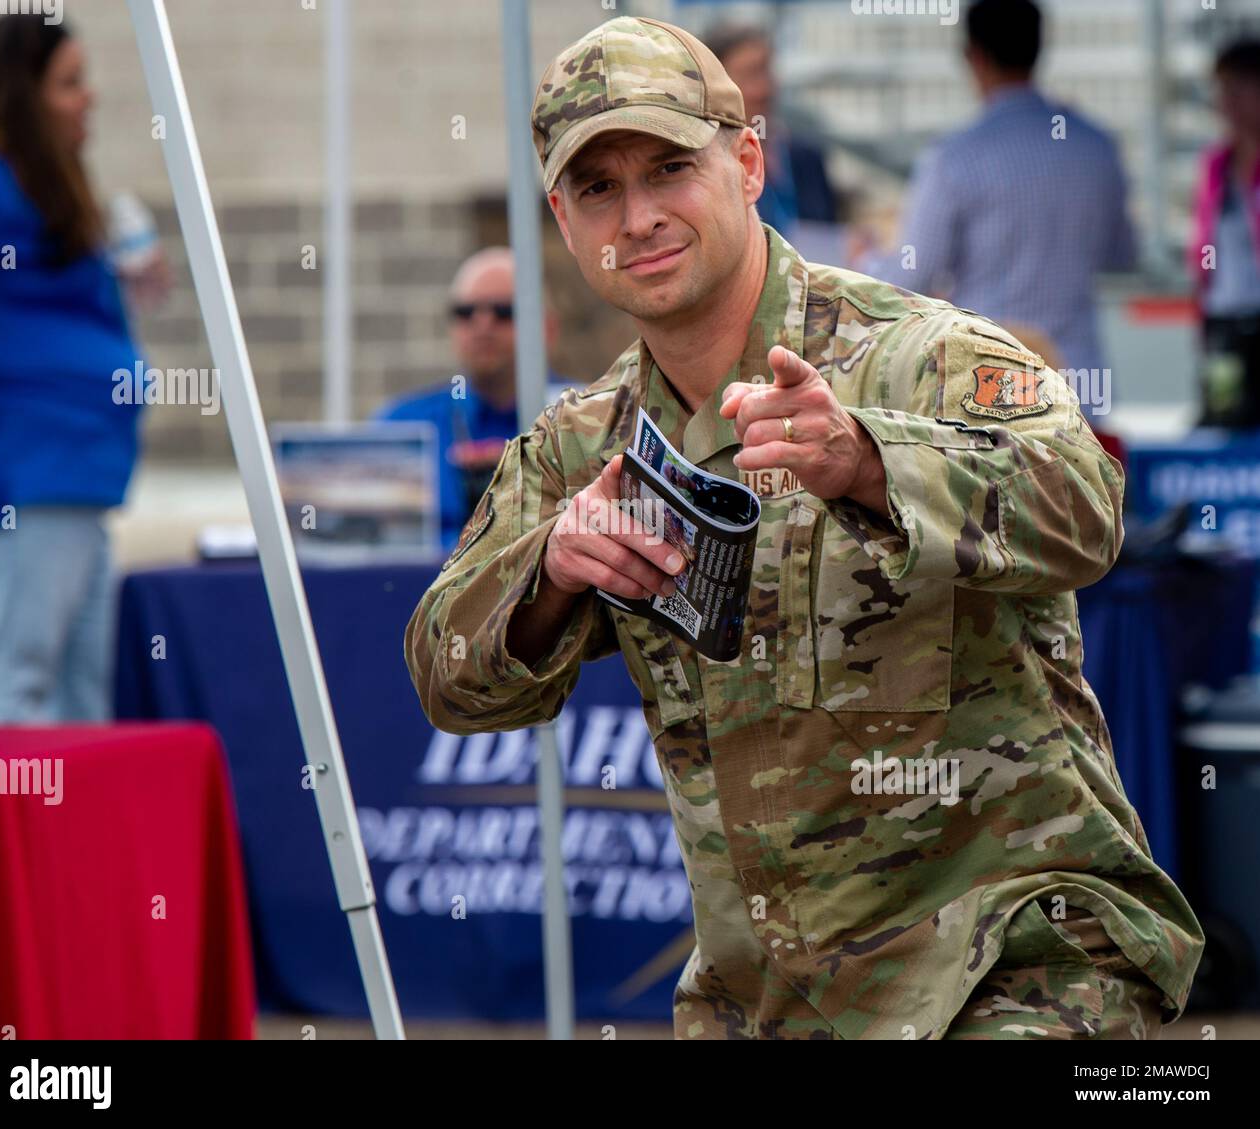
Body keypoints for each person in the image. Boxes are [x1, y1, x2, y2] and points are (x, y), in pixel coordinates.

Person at [405, 15, 1204, 1041]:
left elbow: (1087, 510)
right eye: (598, 187)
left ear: (746, 161)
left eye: (667, 168)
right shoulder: (584, 444)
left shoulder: (925, 355)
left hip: (1014, 970)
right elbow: (444, 674)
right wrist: (552, 569)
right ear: (562, 218)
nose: (638, 215)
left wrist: (874, 462)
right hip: (768, 1003)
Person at [0, 15, 151, 722]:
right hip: (15, 479)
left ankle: (72, 834)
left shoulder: (39, 189)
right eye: (69, 83)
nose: (88, 98)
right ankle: (33, 834)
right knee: (25, 693)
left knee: (80, 708)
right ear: (20, 92)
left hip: (76, 486)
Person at [855, 0, 1136, 386]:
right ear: (1040, 46)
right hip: (1080, 380)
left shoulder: (955, 158)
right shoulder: (1095, 146)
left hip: (989, 384)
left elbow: (910, 276)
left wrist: (864, 260)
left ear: (974, 56)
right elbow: (1123, 256)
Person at [372, 246, 572, 554]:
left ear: (547, 328)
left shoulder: (588, 417)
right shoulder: (400, 427)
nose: (483, 325)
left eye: (504, 312)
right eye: (465, 313)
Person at [705, 23, 837, 238]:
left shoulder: (805, 158)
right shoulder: (710, 165)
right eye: (750, 75)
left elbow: (827, 231)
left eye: (766, 70)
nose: (764, 89)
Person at [1188, 38, 1260, 427]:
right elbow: (1202, 249)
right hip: (1224, 325)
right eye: (1222, 89)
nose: (1227, 100)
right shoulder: (1216, 166)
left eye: (1238, 87)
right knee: (1220, 422)